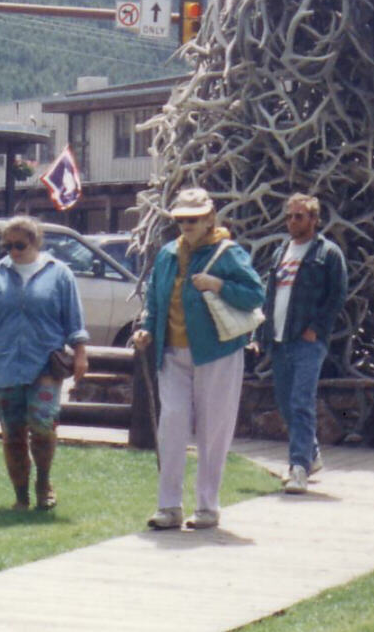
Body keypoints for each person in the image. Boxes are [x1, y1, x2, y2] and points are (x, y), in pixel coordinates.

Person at [133, 187, 264, 530]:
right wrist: (147, 328)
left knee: (213, 428)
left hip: (217, 351)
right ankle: (169, 506)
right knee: (171, 425)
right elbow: (155, 300)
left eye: (193, 219)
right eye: (180, 219)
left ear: (209, 219)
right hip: (172, 352)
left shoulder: (227, 253)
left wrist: (218, 285)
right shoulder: (166, 254)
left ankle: (207, 506)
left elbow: (255, 294)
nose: (186, 225)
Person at [0, 216, 89, 510]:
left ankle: (43, 482)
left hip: (45, 361)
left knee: (43, 424)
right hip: (4, 362)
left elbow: (74, 320)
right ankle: (20, 495)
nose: (13, 251)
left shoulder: (59, 275)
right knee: (12, 433)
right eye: (7, 246)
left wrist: (81, 353)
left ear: (35, 242)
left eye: (19, 245)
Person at [266, 193, 347, 496]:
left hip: (307, 342)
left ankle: (297, 467)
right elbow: (271, 293)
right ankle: (310, 454)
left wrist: (317, 328)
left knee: (301, 401)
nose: (292, 221)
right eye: (289, 216)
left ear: (314, 219)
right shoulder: (281, 252)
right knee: (286, 403)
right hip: (279, 338)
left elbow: (338, 295)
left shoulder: (327, 253)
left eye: (299, 216)